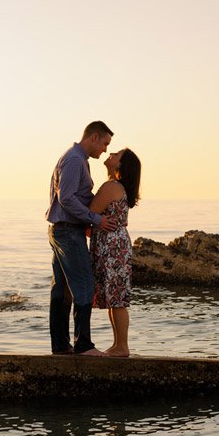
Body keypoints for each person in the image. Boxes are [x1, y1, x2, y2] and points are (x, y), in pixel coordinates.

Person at [45, 121, 117, 356]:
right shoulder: (75, 160)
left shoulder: (76, 158)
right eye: (105, 143)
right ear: (94, 137)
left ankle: (61, 346)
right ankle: (83, 345)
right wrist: (95, 220)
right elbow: (66, 198)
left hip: (61, 229)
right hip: (67, 230)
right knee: (84, 284)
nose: (105, 150)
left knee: (62, 289)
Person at [89, 148, 141, 357]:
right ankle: (118, 344)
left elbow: (90, 212)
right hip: (115, 244)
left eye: (116, 155)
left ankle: (122, 346)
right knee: (114, 298)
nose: (110, 155)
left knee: (117, 298)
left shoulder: (111, 187)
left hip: (112, 247)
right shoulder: (117, 187)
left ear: (121, 165)